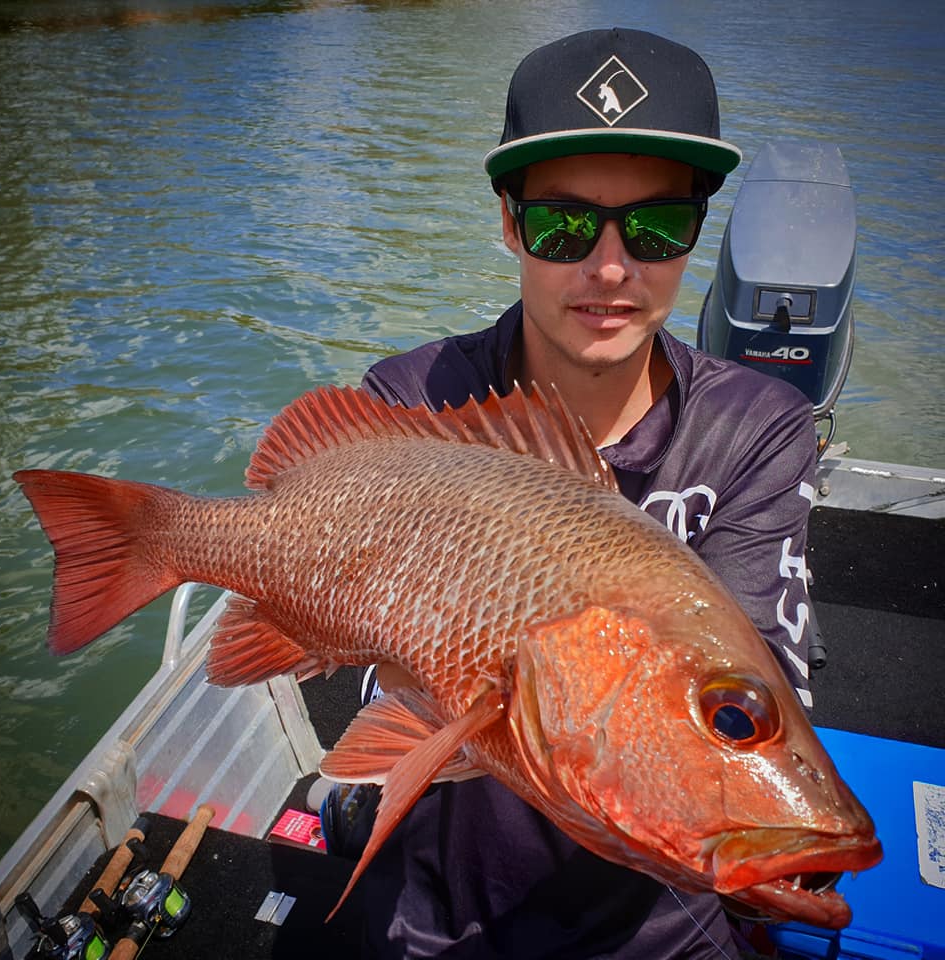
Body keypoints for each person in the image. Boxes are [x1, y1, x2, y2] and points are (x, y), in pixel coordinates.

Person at [337, 27, 817, 959]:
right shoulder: (411, 401)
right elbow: (376, 676)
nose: (609, 268)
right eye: (562, 224)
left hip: (656, 933)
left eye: (655, 227)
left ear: (698, 230)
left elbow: (757, 691)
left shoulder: (758, 430)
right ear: (510, 223)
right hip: (434, 913)